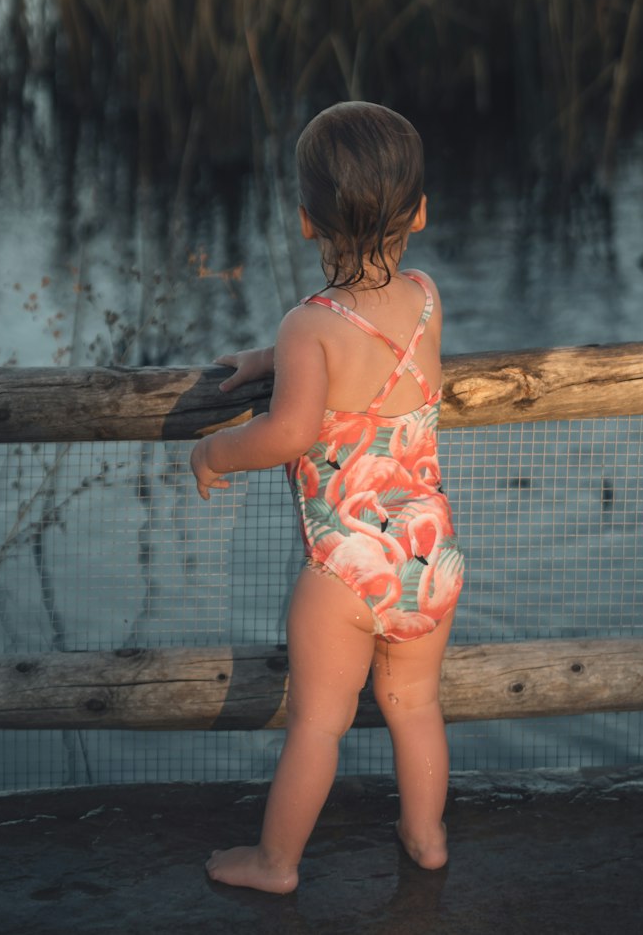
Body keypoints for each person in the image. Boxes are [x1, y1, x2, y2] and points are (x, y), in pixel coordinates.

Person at [190, 100, 464, 894]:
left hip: (344, 568)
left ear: (306, 222)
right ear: (420, 211)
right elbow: (365, 360)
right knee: (415, 706)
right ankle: (426, 837)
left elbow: (287, 432)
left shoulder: (307, 326)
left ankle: (275, 862)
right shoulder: (426, 296)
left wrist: (214, 450)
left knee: (318, 723)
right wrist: (268, 355)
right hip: (430, 555)